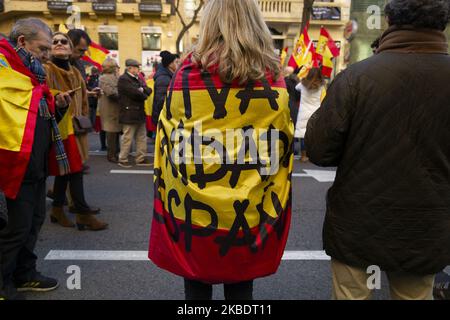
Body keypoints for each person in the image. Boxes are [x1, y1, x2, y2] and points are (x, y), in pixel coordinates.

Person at [148, 0, 294, 300]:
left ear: (209, 23)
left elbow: (169, 139)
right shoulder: (273, 78)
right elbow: (281, 143)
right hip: (250, 207)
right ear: (256, 23)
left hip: (194, 210)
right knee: (241, 285)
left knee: (196, 283)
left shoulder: (184, 75)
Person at [305, 0, 450, 300]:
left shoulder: (357, 77)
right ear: (442, 23)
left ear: (388, 20)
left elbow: (319, 150)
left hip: (357, 222)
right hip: (427, 222)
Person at [0, 18, 72, 299]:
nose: (47, 54)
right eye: (42, 48)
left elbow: (39, 115)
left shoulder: (33, 73)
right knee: (15, 228)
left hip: (36, 162)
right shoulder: (5, 70)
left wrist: (58, 105)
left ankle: (25, 274)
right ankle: (3, 283)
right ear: (22, 42)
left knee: (33, 222)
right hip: (15, 165)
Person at [44, 32, 107, 231]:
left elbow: (82, 98)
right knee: (75, 170)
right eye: (55, 42)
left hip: (76, 127)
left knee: (68, 171)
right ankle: (82, 213)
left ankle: (57, 209)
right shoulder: (46, 69)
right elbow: (41, 92)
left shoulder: (75, 71)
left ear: (70, 49)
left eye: (64, 42)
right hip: (58, 127)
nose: (60, 44)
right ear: (49, 47)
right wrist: (58, 97)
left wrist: (84, 116)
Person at [117, 59, 152, 168]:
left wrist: (142, 90)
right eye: (137, 67)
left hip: (139, 112)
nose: (138, 69)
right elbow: (135, 93)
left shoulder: (137, 78)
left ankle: (140, 158)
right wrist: (142, 92)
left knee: (141, 137)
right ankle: (123, 159)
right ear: (130, 68)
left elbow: (148, 89)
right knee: (127, 137)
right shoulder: (124, 79)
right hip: (129, 113)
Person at [294, 68, 325, 162]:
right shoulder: (321, 86)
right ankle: (312, 155)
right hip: (315, 112)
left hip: (303, 112)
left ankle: (303, 156)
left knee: (303, 135)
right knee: (314, 135)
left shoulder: (302, 85)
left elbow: (296, 88)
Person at [99, 58, 122, 163]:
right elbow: (111, 93)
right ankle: (111, 154)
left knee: (115, 131)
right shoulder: (104, 78)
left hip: (115, 107)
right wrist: (123, 95)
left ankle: (115, 152)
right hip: (109, 108)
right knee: (111, 132)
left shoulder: (115, 77)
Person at [151, 50, 177, 126]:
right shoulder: (164, 78)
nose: (177, 64)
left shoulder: (168, 75)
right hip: (163, 117)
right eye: (176, 62)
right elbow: (161, 100)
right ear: (170, 64)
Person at [87, 67, 106, 151]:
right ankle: (103, 146)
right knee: (101, 125)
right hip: (96, 102)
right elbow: (91, 88)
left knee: (101, 126)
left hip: (96, 103)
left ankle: (103, 145)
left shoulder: (96, 78)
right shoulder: (96, 79)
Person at [284, 66, 301, 154]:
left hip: (285, 105)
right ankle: (293, 147)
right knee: (292, 127)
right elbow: (299, 96)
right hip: (294, 106)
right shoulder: (297, 82)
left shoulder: (283, 82)